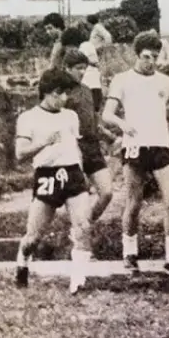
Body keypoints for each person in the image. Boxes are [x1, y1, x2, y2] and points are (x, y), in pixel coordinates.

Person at [103, 32, 169, 276]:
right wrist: (123, 124)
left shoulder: (164, 81)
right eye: (146, 57)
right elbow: (107, 114)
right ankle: (129, 253)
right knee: (134, 201)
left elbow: (164, 108)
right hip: (135, 145)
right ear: (137, 55)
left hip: (161, 145)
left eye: (155, 57)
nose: (151, 62)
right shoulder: (122, 79)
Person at [12, 68, 93, 295]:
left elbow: (75, 147)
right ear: (47, 92)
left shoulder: (71, 116)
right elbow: (20, 153)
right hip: (46, 175)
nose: (63, 98)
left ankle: (78, 281)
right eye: (59, 93)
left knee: (83, 225)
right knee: (33, 237)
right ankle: (22, 263)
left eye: (66, 93)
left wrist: (82, 173)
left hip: (72, 173)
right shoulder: (29, 117)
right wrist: (44, 142)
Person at [58, 49, 114, 224]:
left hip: (93, 147)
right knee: (79, 197)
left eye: (84, 68)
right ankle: (79, 230)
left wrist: (106, 135)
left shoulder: (87, 90)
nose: (82, 72)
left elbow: (93, 118)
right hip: (73, 149)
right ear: (67, 68)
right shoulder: (60, 93)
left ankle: (85, 226)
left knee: (107, 193)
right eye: (78, 68)